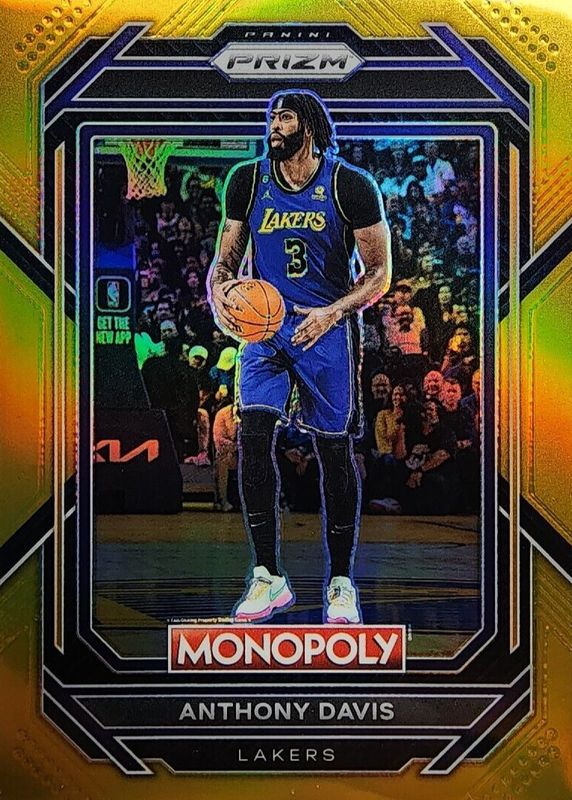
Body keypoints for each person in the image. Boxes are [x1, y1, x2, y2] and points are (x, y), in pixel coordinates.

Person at [208, 89, 391, 624]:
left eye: (284, 117)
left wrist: (334, 312)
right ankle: (267, 576)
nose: (274, 126)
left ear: (307, 126)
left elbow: (380, 273)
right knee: (253, 434)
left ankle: (341, 583)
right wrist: (220, 296)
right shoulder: (247, 180)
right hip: (265, 329)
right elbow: (225, 261)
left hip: (324, 327)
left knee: (334, 451)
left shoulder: (350, 185)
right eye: (271, 117)